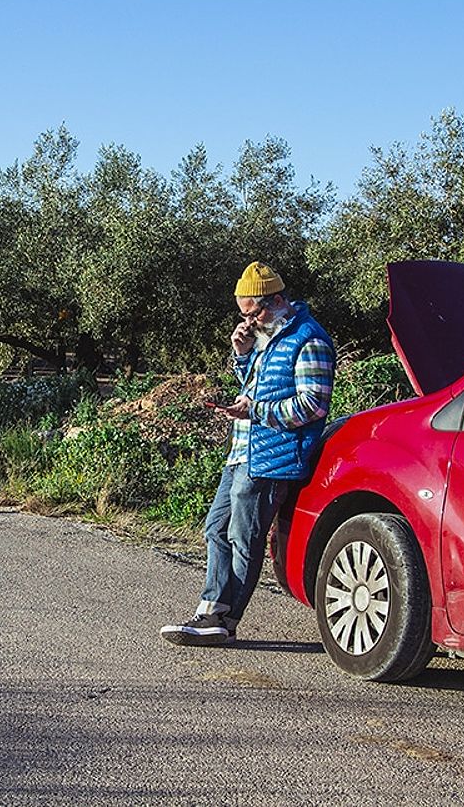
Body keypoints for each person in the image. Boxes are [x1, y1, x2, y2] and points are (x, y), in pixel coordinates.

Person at [160, 261, 335, 646]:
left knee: (244, 537)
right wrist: (243, 356)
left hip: (273, 457)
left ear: (275, 301)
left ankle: (223, 618)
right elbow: (259, 388)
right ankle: (209, 610)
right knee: (215, 529)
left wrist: (255, 411)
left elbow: (313, 405)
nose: (249, 321)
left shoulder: (309, 340)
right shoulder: (267, 337)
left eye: (252, 312)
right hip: (242, 451)